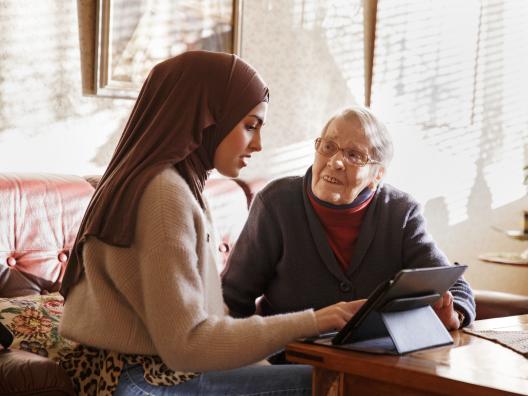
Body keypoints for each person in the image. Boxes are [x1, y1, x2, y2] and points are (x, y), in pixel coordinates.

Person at [58, 51, 364, 396]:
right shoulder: (163, 195)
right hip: (144, 380)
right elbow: (187, 345)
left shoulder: (174, 184)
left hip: (142, 374)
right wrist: (316, 321)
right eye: (250, 125)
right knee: (340, 385)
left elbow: (200, 331)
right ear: (206, 116)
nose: (259, 144)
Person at [222, 105, 476, 343]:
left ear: (377, 175)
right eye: (328, 146)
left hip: (374, 362)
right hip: (291, 358)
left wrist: (454, 316)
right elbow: (232, 298)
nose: (336, 161)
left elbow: (454, 286)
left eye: (354, 155)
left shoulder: (400, 213)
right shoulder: (277, 203)